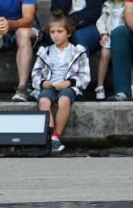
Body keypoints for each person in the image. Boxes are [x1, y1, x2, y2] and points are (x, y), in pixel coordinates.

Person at [32, 12, 90, 154]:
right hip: (50, 85)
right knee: (44, 101)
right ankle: (52, 138)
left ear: (68, 33)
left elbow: (85, 76)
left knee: (64, 100)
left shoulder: (78, 52)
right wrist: (42, 83)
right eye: (52, 32)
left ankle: (57, 135)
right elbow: (35, 73)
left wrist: (69, 83)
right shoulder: (44, 52)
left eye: (59, 31)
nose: (55, 35)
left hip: (68, 87)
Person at [95, 0, 126, 100]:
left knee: (126, 57)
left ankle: (131, 85)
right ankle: (100, 85)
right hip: (109, 37)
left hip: (123, 38)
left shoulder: (127, 6)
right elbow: (100, 21)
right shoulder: (107, 5)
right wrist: (103, 33)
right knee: (105, 54)